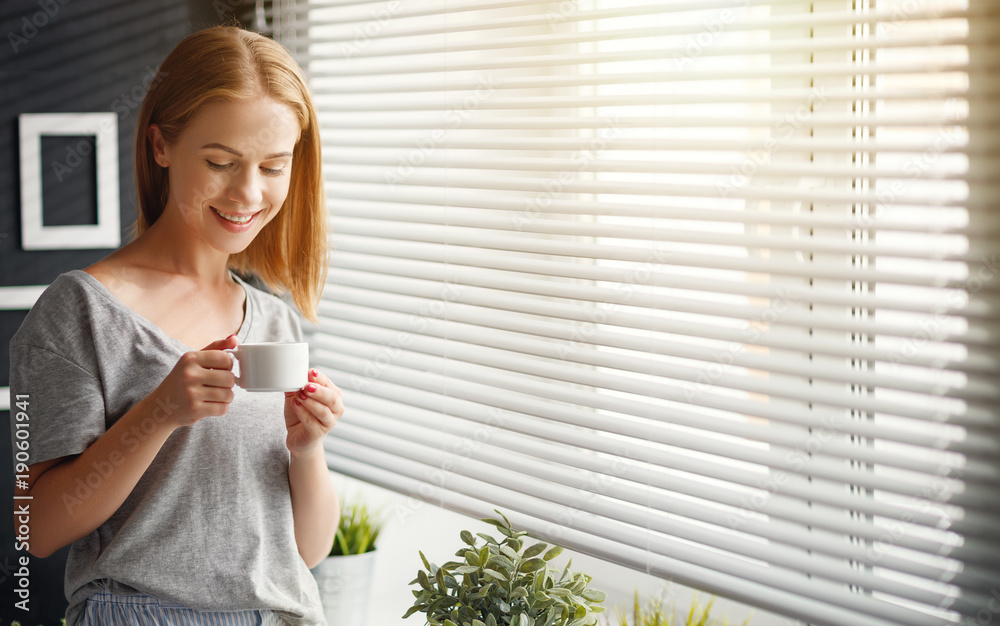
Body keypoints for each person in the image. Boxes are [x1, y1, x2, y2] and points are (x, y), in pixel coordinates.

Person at [9, 25, 341, 625]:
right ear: (161, 145)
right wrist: (159, 413)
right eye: (220, 162)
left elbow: (307, 551)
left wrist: (307, 446)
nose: (248, 193)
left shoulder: (275, 321)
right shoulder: (78, 312)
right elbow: (36, 526)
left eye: (273, 166)